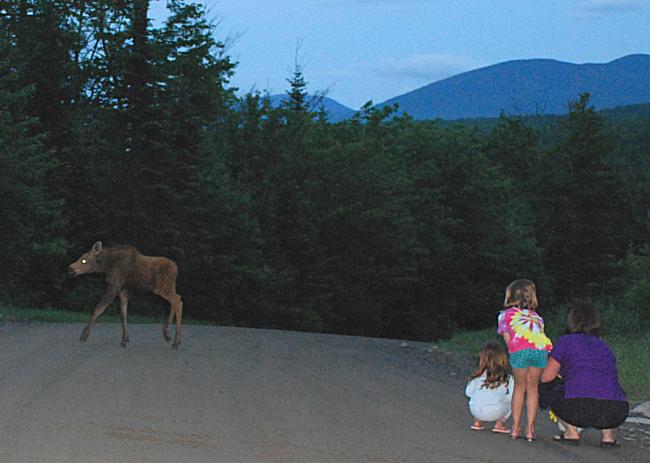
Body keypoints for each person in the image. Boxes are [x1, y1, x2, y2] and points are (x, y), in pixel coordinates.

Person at [540, 302, 629, 449]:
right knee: (608, 388)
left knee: (548, 387)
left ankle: (571, 432)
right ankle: (608, 436)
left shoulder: (565, 341)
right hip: (617, 411)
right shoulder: (604, 346)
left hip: (579, 407)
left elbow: (546, 377)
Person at [497, 279, 552, 441]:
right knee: (533, 387)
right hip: (540, 350)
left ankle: (515, 428)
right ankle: (530, 429)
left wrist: (512, 352)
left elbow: (508, 338)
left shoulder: (505, 315)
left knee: (520, 387)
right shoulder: (536, 317)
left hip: (520, 350)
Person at [465, 342, 513, 434]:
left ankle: (477, 421)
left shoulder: (478, 375)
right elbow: (511, 396)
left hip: (475, 410)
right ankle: (499, 423)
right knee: (513, 401)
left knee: (477, 398)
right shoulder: (507, 378)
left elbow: (468, 393)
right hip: (496, 411)